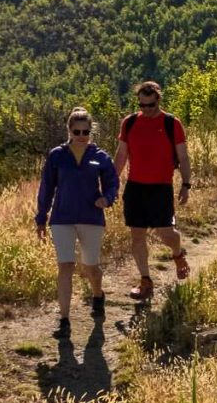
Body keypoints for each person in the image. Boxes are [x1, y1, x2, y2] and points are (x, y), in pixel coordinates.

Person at [33, 107, 118, 335]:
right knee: (65, 266)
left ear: (91, 132)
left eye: (86, 132)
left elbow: (113, 183)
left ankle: (98, 295)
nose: (81, 136)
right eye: (77, 131)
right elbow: (46, 188)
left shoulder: (100, 157)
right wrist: (41, 218)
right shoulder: (57, 156)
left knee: (91, 266)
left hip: (91, 218)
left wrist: (106, 199)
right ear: (69, 131)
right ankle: (64, 321)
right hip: (62, 218)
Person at [114, 79, 192, 300]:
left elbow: (183, 157)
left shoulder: (171, 123)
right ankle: (145, 281)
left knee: (166, 233)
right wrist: (111, 183)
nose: (147, 110)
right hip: (136, 187)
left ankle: (178, 253)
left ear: (158, 100)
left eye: (151, 105)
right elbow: (121, 155)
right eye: (142, 105)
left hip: (161, 187)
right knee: (137, 235)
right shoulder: (129, 123)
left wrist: (186, 184)